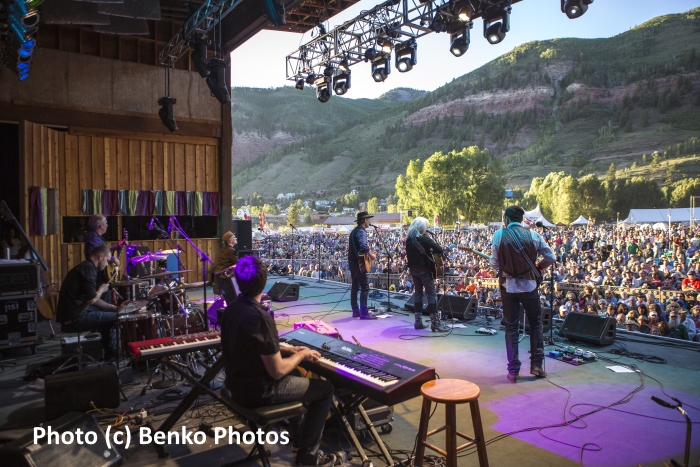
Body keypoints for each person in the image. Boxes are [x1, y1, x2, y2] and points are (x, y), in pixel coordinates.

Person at [221, 256, 335, 467]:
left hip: (235, 383)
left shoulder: (232, 309)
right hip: (258, 391)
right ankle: (308, 457)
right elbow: (277, 371)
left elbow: (253, 345)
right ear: (265, 282)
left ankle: (299, 439)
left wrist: (288, 348)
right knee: (325, 390)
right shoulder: (261, 318)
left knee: (295, 375)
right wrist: (300, 355)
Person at [490, 206, 555, 383]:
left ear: (506, 219)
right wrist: (538, 267)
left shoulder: (499, 235)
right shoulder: (533, 235)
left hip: (508, 287)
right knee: (535, 324)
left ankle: (513, 371)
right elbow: (551, 257)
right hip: (529, 287)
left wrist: (508, 267)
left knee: (511, 327)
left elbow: (494, 264)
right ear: (521, 219)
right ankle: (536, 366)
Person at [56, 244, 118, 360]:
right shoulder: (89, 269)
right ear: (100, 257)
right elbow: (92, 299)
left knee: (113, 314)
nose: (107, 265)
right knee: (117, 318)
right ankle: (112, 354)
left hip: (76, 312)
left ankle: (109, 353)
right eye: (107, 261)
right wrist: (102, 289)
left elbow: (93, 300)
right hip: (75, 317)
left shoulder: (85, 267)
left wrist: (114, 308)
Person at [406, 217, 449, 331]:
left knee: (418, 295)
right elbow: (438, 249)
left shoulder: (409, 239)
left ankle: (418, 322)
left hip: (414, 271)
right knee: (431, 296)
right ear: (422, 227)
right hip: (424, 270)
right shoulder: (424, 238)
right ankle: (435, 323)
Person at [347, 212, 377, 319]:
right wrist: (372, 256)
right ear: (364, 220)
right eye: (368, 219)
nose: (369, 222)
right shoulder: (362, 231)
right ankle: (364, 313)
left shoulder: (354, 231)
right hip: (358, 263)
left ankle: (355, 310)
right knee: (365, 286)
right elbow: (364, 247)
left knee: (355, 286)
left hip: (352, 262)